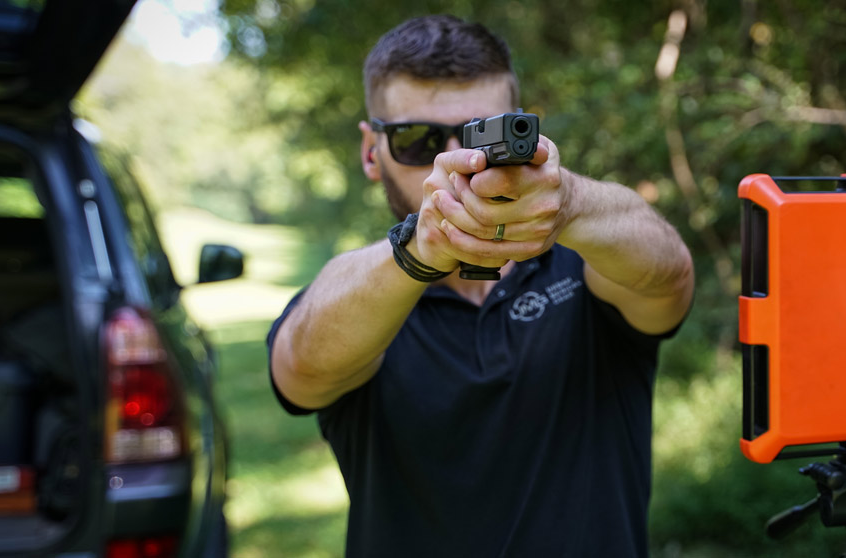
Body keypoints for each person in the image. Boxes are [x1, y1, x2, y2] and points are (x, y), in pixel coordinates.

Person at [267, 14, 694, 557]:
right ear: (371, 151)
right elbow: (300, 369)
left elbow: (671, 275)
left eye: (480, 136)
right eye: (418, 140)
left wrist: (569, 203)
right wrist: (421, 248)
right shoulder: (364, 298)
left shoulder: (590, 265)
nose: (453, 159)